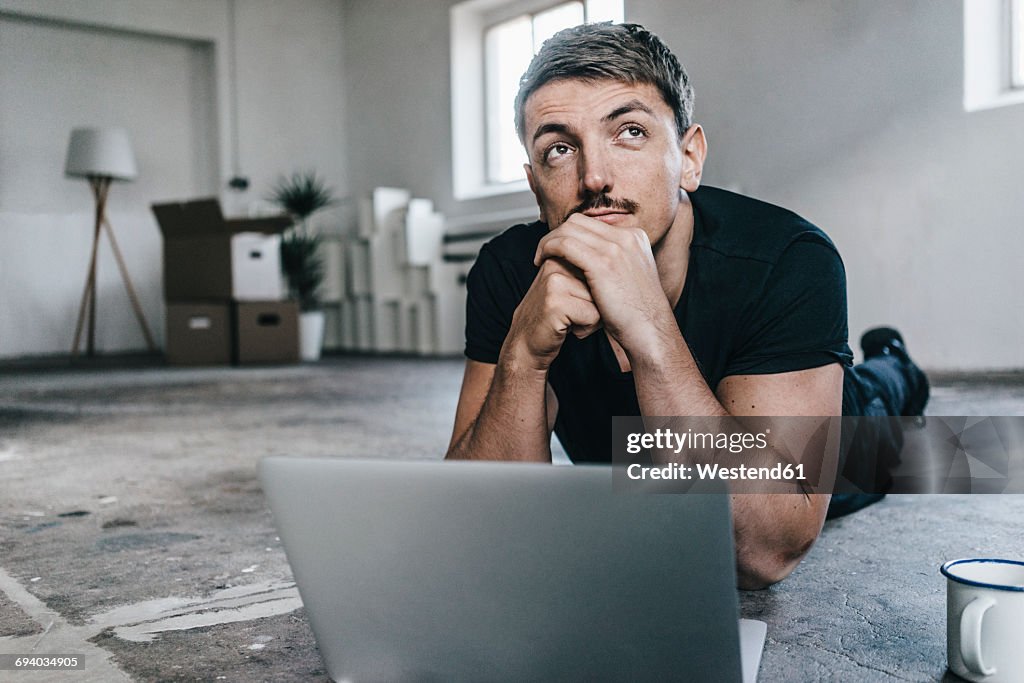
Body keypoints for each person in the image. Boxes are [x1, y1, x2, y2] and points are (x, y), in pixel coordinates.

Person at [445, 22, 928, 589]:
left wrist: (649, 328)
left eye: (629, 132)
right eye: (559, 148)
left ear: (690, 157)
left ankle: (894, 363)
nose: (594, 178)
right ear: (534, 183)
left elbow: (764, 552)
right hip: (648, 464)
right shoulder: (508, 272)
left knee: (887, 434)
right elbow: (480, 525)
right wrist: (522, 358)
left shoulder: (788, 259)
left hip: (812, 429)